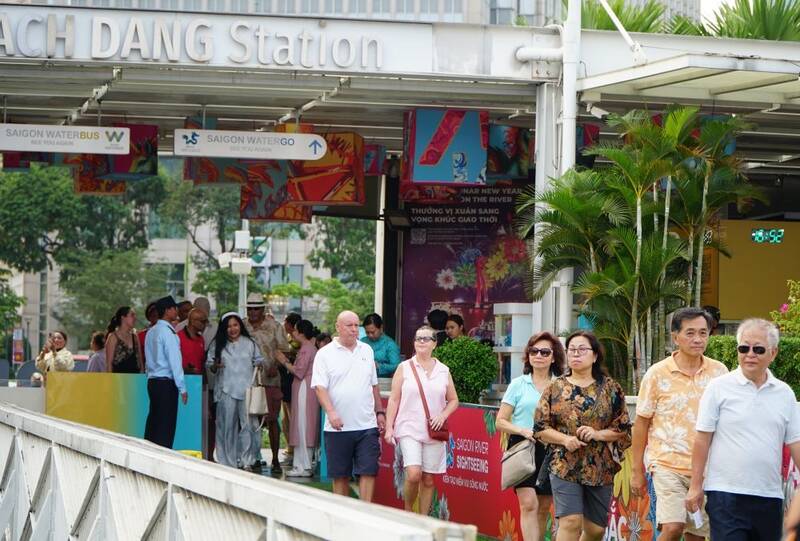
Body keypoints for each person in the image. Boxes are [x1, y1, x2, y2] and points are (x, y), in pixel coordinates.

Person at [686, 318, 800, 540]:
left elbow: (795, 441)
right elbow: (702, 439)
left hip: (769, 496)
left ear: (773, 353)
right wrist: (695, 486)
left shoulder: (784, 393)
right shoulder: (719, 388)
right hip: (725, 494)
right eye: (743, 348)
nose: (750, 354)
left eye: (758, 349)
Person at [631, 307, 727, 541]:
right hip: (666, 465)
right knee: (672, 528)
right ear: (675, 337)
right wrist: (636, 471)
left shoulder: (720, 373)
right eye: (690, 333)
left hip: (707, 469)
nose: (698, 339)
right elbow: (641, 423)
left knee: (697, 535)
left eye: (703, 333)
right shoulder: (657, 374)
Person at [534, 331, 631, 541]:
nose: (576, 354)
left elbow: (622, 427)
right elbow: (540, 427)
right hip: (564, 463)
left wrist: (597, 434)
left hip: (600, 466)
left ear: (595, 355)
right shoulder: (555, 387)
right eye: (571, 350)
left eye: (582, 350)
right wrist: (565, 439)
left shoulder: (611, 388)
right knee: (570, 522)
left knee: (596, 529)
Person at [497, 331, 565, 541]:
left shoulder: (561, 385)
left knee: (544, 506)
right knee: (528, 504)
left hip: (551, 449)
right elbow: (501, 421)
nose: (539, 356)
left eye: (545, 352)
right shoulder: (518, 384)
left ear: (553, 357)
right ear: (528, 355)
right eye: (534, 351)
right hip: (522, 447)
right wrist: (522, 431)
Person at [311, 310, 385, 501]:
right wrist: (331, 412)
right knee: (341, 475)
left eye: (356, 325)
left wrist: (380, 412)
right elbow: (320, 388)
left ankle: (365, 512)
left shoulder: (366, 350)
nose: (354, 330)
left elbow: (374, 385)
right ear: (338, 327)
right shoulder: (324, 354)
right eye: (349, 325)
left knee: (368, 471)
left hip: (367, 425)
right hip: (338, 427)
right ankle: (342, 515)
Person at [384, 325, 459, 514]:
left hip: (434, 429)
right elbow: (394, 398)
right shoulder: (405, 367)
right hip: (408, 427)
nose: (421, 342)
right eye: (418, 338)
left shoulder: (443, 370)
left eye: (426, 339)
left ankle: (423, 518)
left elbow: (453, 400)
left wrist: (443, 415)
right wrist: (389, 428)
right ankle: (409, 511)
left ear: (435, 343)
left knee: (428, 479)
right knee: (414, 473)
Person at [206, 312, 265, 470]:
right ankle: (227, 461)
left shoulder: (250, 343)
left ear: (240, 326)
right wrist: (215, 366)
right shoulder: (217, 344)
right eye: (229, 326)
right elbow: (209, 364)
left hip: (247, 390)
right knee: (226, 426)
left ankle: (247, 461)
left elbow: (259, 359)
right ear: (224, 329)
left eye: (235, 325)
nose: (232, 329)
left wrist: (259, 363)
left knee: (248, 426)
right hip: (226, 390)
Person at [243, 292, 292, 473]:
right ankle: (252, 457)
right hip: (248, 379)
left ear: (262, 309)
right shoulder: (242, 325)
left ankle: (275, 459)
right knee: (250, 420)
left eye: (256, 308)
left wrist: (276, 366)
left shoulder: (275, 326)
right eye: (250, 308)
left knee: (271, 420)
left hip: (270, 379)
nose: (253, 312)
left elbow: (285, 350)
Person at [278, 319, 320, 477]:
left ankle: (303, 466)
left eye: (295, 331)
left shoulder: (306, 349)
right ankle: (303, 464)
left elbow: (299, 371)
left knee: (303, 426)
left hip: (304, 389)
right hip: (305, 389)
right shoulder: (309, 348)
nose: (292, 334)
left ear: (301, 333)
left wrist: (284, 361)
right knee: (304, 425)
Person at [144, 295, 187, 449]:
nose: (177, 311)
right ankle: (163, 457)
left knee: (154, 422)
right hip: (166, 383)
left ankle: (149, 453)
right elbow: (175, 361)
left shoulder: (151, 331)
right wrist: (182, 387)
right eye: (174, 308)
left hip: (153, 381)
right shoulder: (168, 333)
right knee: (166, 426)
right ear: (168, 310)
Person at [281, 312, 302, 462]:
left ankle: (293, 448)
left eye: (285, 322)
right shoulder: (287, 338)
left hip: (291, 381)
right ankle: (290, 447)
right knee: (286, 417)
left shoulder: (297, 342)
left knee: (291, 416)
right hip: (285, 380)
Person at [361, 313, 402, 377]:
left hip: (383, 381)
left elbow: (397, 366)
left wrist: (379, 366)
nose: (370, 335)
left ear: (381, 328)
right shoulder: (362, 342)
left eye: (373, 332)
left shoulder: (389, 344)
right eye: (367, 332)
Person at [105, 306, 144, 373]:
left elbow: (140, 361)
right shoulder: (113, 337)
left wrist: (142, 376)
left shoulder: (134, 337)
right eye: (132, 315)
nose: (135, 318)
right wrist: (110, 381)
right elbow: (109, 364)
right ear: (123, 317)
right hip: (118, 379)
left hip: (135, 379)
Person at [179, 308, 207, 375]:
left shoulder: (201, 339)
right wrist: (185, 370)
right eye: (202, 321)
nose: (205, 324)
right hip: (182, 379)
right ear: (193, 321)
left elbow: (202, 362)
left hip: (197, 380)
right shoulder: (178, 337)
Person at [138, 301, 158, 367]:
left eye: (158, 316)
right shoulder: (140, 336)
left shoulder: (168, 333)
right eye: (153, 316)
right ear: (149, 318)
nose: (156, 319)